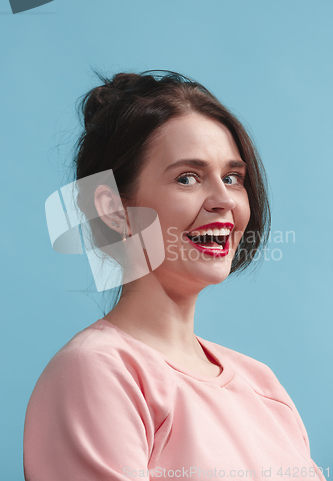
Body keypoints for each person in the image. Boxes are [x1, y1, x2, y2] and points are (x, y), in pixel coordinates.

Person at [23, 71, 325, 481]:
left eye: (233, 178)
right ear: (113, 210)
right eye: (188, 177)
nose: (224, 201)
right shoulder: (97, 371)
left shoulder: (262, 385)